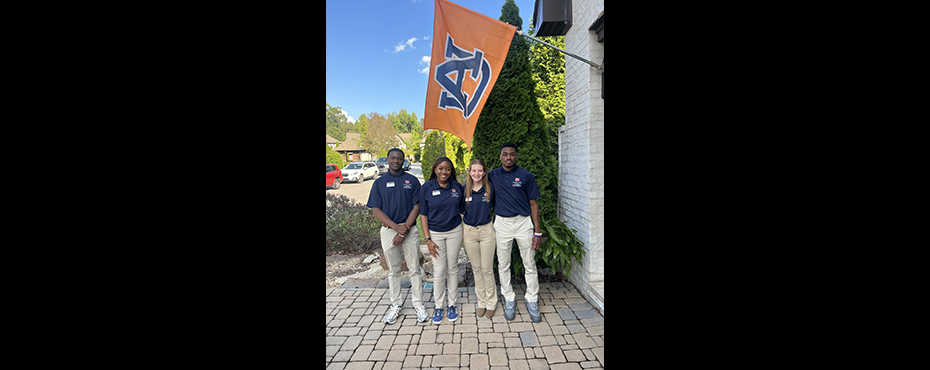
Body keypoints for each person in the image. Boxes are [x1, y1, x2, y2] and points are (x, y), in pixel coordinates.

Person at [367, 148, 428, 325]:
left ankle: (418, 304)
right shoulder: (379, 183)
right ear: (387, 159)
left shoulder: (412, 180)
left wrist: (405, 228)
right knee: (393, 271)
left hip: (409, 230)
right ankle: (395, 305)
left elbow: (417, 206)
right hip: (389, 231)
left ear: (403, 160)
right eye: (392, 158)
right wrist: (396, 228)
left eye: (399, 158)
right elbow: (375, 210)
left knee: (414, 269)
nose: (396, 161)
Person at [488, 142, 543, 322]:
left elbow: (534, 204)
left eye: (512, 154)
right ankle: (509, 297)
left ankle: (532, 298)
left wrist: (537, 232)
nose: (508, 157)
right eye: (505, 154)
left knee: (529, 263)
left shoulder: (526, 175)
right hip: (502, 223)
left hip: (523, 223)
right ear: (500, 156)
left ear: (516, 156)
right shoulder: (493, 175)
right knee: (503, 264)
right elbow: (474, 182)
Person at [419, 156, 466, 324]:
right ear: (435, 170)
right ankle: (439, 306)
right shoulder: (426, 188)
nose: (444, 172)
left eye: (447, 169)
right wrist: (428, 239)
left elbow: (463, 210)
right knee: (439, 270)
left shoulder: (457, 187)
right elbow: (423, 215)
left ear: (451, 171)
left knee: (452, 268)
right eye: (440, 168)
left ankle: (452, 304)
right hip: (435, 234)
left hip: (454, 231)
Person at [462, 158, 498, 318]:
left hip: (486, 232)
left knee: (487, 269)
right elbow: (461, 210)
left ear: (484, 173)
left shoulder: (490, 189)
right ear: (470, 172)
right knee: (476, 269)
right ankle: (481, 302)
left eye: (480, 171)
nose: (476, 173)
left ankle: (491, 302)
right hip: (469, 232)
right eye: (474, 170)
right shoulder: (464, 190)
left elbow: (495, 207)